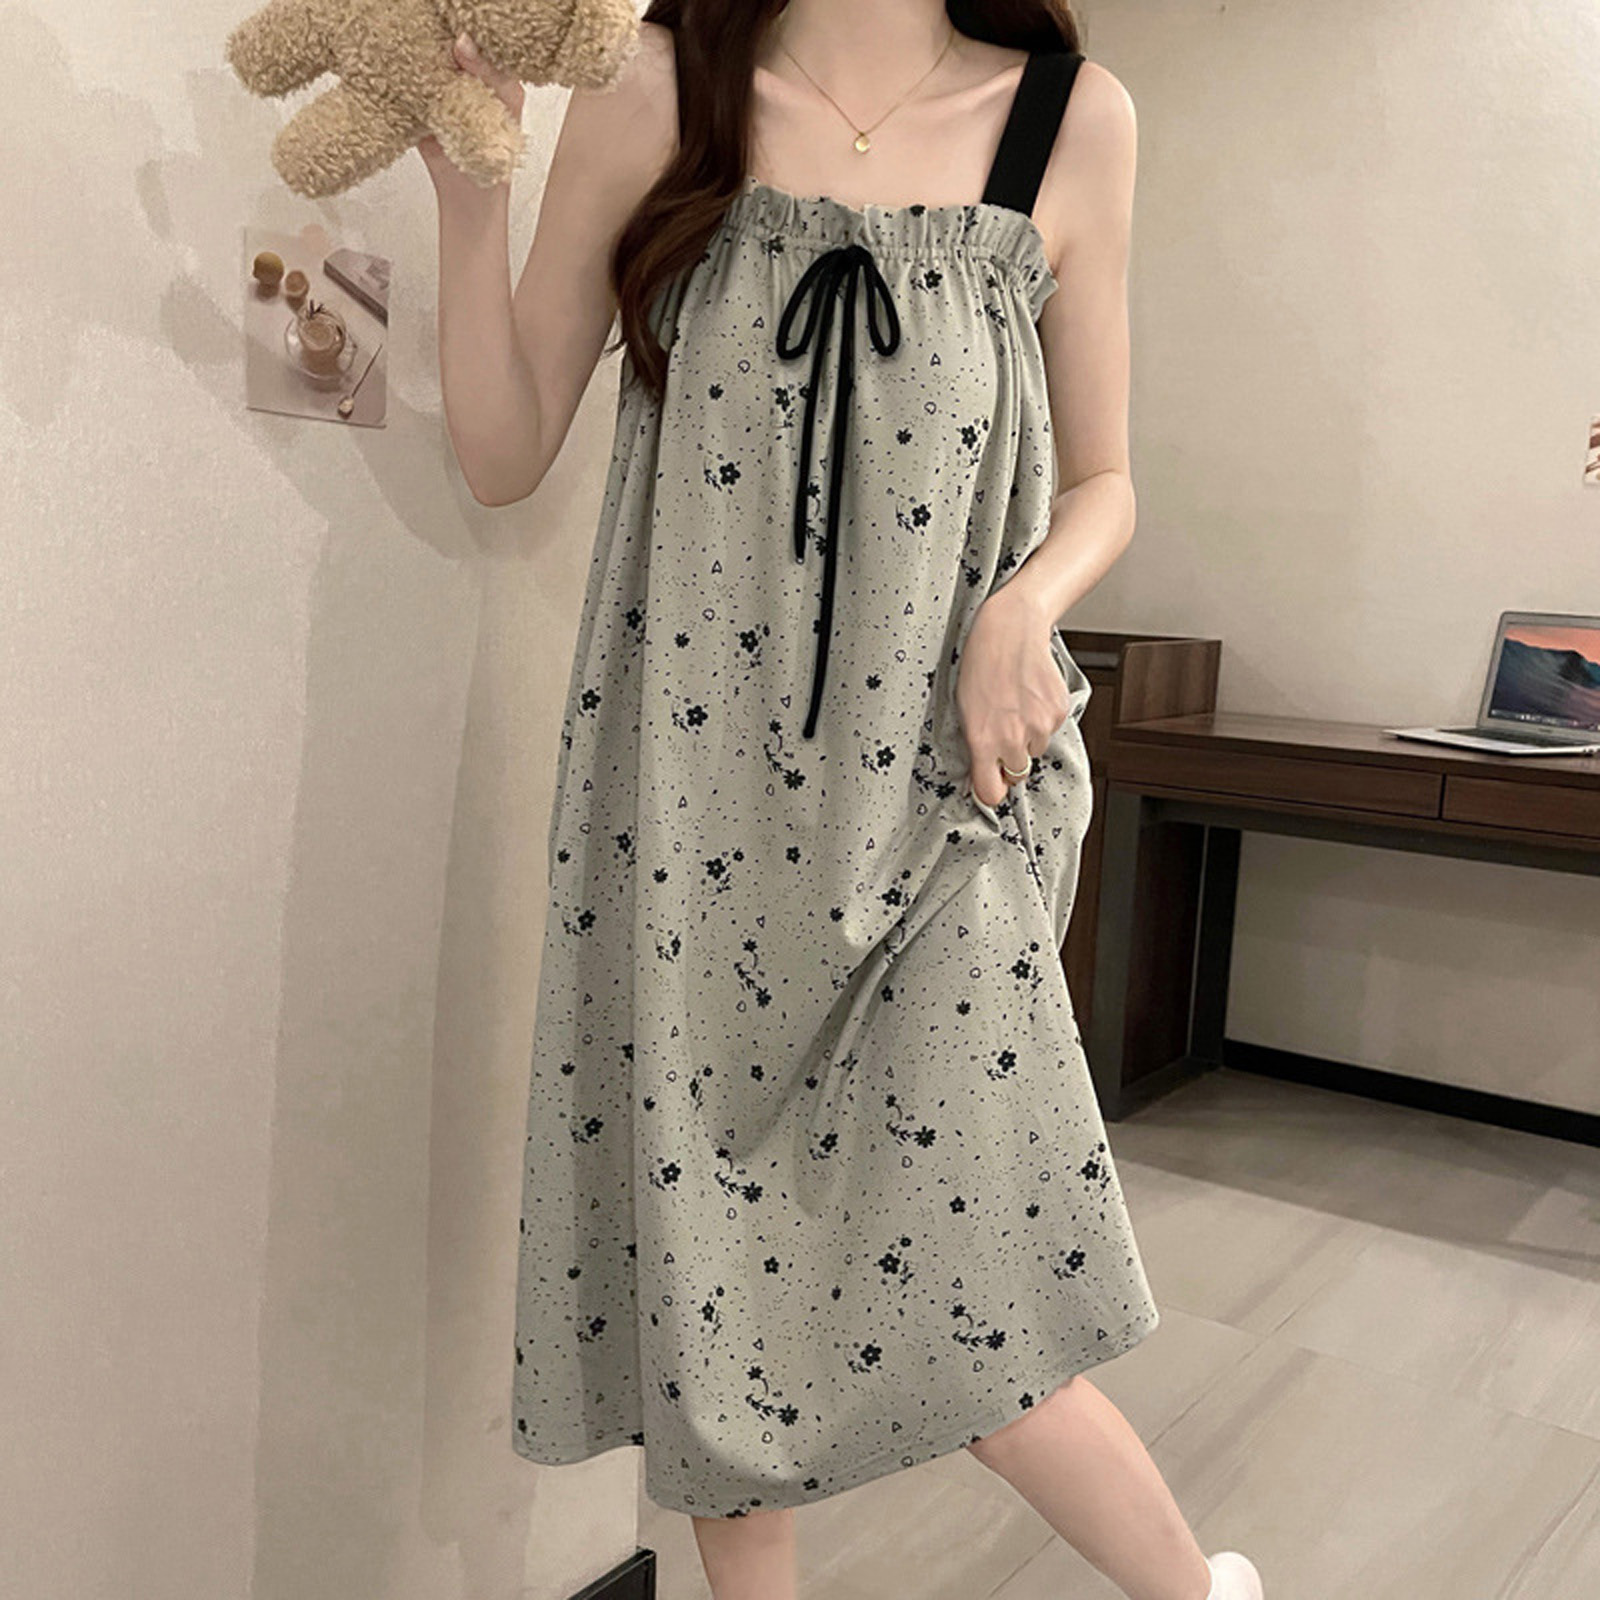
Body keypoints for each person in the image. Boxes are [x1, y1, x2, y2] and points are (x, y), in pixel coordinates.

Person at [421, 4, 1263, 1599]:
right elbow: (503, 446)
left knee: (988, 1293)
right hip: (690, 820)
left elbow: (1106, 480)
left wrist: (1026, 607)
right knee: (722, 1311)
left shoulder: (1071, 119)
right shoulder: (657, 86)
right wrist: (473, 197)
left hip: (948, 801)